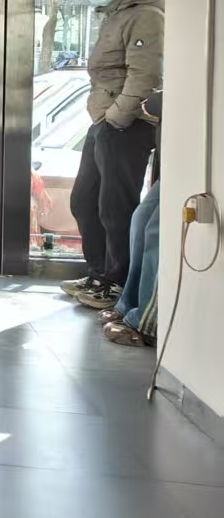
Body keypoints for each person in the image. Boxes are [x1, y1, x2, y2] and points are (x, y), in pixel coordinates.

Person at [61, 0, 163, 312]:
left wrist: (116, 118)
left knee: (115, 207)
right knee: (84, 200)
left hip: (127, 124)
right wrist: (105, 120)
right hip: (105, 121)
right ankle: (98, 273)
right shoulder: (114, 14)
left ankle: (117, 283)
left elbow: (145, 76)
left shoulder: (144, 15)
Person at [102, 94, 161, 346]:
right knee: (141, 218)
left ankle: (149, 323)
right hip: (178, 159)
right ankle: (129, 305)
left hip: (197, 159)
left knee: (158, 230)